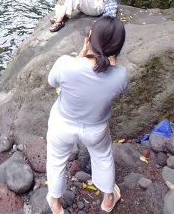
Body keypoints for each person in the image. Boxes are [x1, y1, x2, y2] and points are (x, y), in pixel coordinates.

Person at [46, 16, 128, 213]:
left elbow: (52, 82)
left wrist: (79, 57)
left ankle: (56, 205)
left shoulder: (66, 64)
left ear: (89, 37)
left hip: (62, 124)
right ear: (117, 49)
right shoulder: (120, 75)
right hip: (95, 129)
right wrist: (112, 63)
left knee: (57, 160)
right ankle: (108, 199)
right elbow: (121, 90)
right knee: (103, 157)